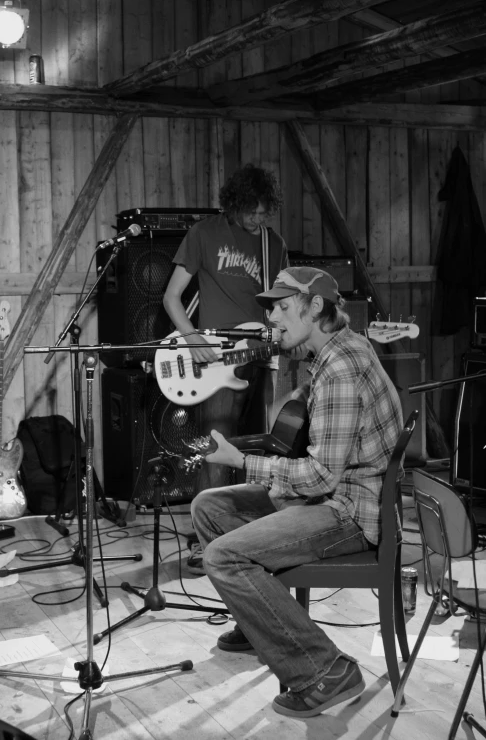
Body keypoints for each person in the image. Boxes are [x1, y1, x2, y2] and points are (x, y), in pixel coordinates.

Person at [190, 266, 404, 718]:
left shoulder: (340, 367)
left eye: (284, 308)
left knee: (222, 557)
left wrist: (242, 462)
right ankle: (259, 622)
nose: (273, 320)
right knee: (209, 508)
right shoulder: (337, 351)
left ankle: (324, 670)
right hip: (334, 496)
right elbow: (320, 408)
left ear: (316, 307)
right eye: (272, 310)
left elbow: (322, 477)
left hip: (349, 512)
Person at [163, 164, 288, 573]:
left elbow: (281, 306)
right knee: (216, 446)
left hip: (259, 359)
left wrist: (279, 337)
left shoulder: (274, 245)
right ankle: (204, 542)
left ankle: (247, 537)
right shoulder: (204, 234)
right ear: (233, 205)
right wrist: (192, 338)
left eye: (264, 212)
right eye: (252, 211)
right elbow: (172, 298)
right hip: (215, 357)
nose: (258, 219)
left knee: (258, 448)